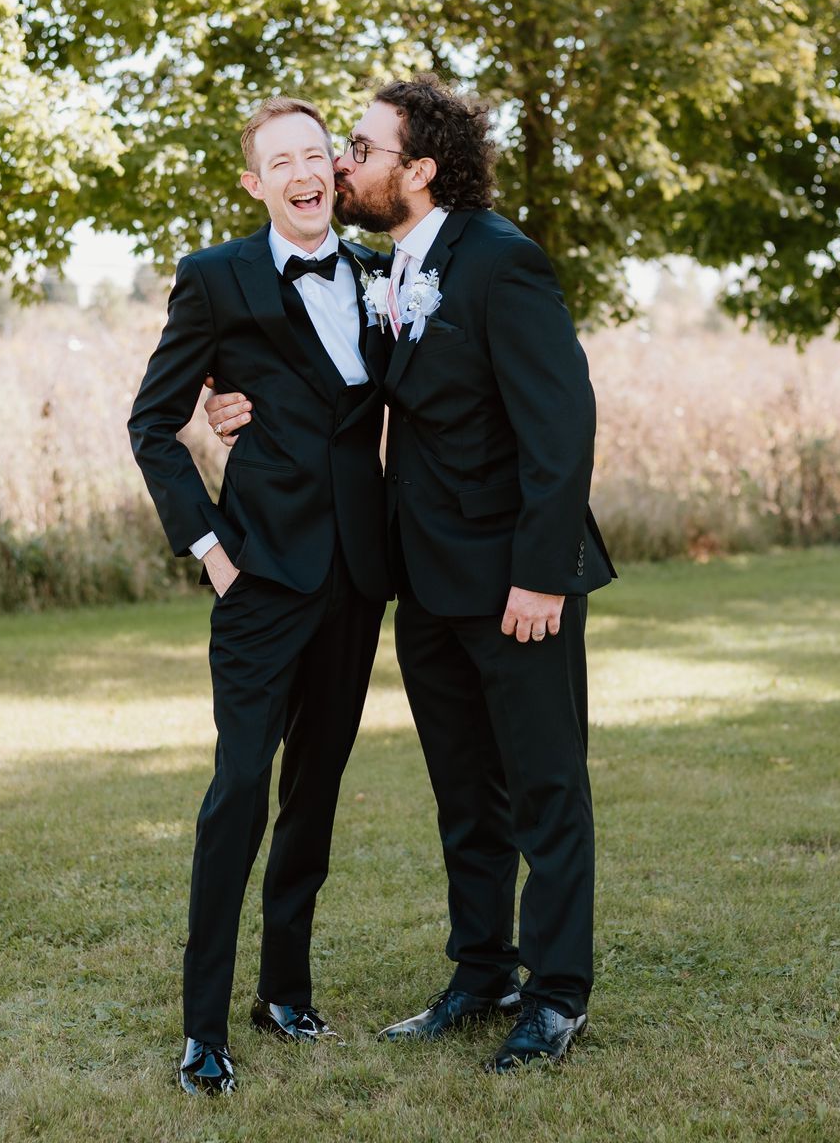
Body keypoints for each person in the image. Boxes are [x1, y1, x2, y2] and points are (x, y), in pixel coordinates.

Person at [206, 74, 614, 1072]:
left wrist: (541, 576)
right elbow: (335, 379)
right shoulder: (386, 269)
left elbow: (562, 429)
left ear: (420, 170)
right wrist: (234, 402)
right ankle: (483, 972)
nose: (341, 164)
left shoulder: (501, 263)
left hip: (517, 586)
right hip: (425, 586)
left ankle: (555, 997)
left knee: (546, 789)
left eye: (359, 146)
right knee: (466, 796)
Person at [127, 96, 393, 1096]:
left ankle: (284, 990)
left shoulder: (376, 273)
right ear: (255, 183)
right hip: (260, 579)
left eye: (315, 153)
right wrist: (208, 545)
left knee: (314, 793)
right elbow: (152, 423)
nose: (302, 169)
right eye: (278, 159)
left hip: (357, 583)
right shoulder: (215, 276)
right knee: (239, 792)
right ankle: (203, 1028)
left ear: (334, 167)